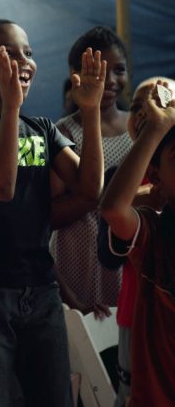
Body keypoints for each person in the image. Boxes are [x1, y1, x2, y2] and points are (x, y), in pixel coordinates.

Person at [0, 19, 105, 406]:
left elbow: (89, 190)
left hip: (40, 287)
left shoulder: (44, 129)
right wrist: (12, 106)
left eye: (28, 53)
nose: (22, 61)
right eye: (6, 54)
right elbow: (1, 187)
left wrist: (91, 111)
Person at [97, 77, 173, 406]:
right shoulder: (49, 131)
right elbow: (33, 199)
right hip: (108, 297)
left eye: (119, 70)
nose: (148, 112)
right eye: (140, 105)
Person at [51, 26, 132, 319]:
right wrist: (98, 199)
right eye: (97, 71)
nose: (109, 81)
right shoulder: (60, 132)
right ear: (75, 75)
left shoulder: (141, 129)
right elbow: (48, 214)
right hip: (79, 262)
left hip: (131, 261)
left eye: (118, 70)